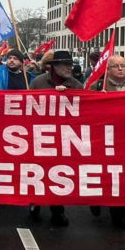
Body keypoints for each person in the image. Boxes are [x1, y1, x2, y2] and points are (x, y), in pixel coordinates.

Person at [28, 50, 82, 227]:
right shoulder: (38, 82)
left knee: (59, 174)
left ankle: (57, 210)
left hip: (64, 137)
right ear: (54, 66)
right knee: (38, 171)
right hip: (40, 134)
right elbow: (28, 106)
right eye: (65, 65)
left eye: (70, 65)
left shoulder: (76, 85)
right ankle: (35, 201)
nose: (68, 68)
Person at [87, 55, 125, 232]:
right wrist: (96, 98)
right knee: (102, 174)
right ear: (108, 69)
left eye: (122, 65)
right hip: (102, 137)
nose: (119, 68)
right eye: (115, 66)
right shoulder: (97, 86)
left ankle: (119, 217)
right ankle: (96, 200)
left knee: (121, 178)